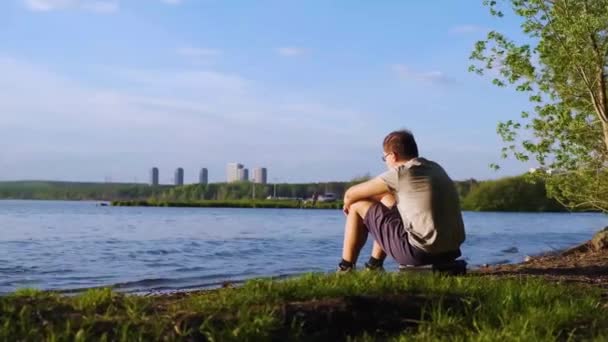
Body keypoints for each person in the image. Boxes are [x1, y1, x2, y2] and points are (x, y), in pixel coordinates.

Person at [338, 129, 465, 271]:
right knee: (387, 198)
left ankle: (345, 268)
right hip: (451, 252)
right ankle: (374, 266)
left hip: (420, 254)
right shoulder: (435, 168)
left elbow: (350, 194)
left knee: (357, 205)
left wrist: (347, 204)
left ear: (393, 155)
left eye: (384, 157)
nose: (385, 162)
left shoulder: (401, 173)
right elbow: (384, 197)